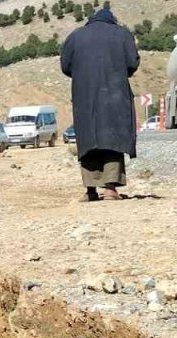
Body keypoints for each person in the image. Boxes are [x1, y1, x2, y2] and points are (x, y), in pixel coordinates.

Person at [61, 6, 139, 202]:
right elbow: (132, 62)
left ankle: (90, 191)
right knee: (113, 138)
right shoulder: (122, 34)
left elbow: (65, 65)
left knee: (88, 140)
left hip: (84, 95)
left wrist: (81, 73)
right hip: (114, 93)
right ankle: (111, 189)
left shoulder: (76, 36)